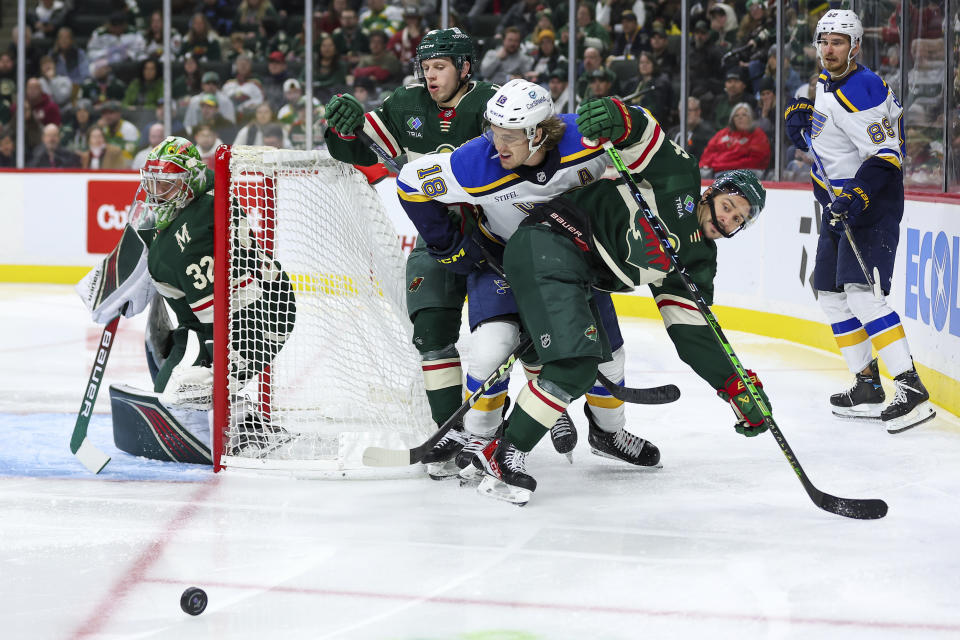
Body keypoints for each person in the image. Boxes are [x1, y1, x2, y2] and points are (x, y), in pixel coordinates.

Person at [464, 87, 769, 509]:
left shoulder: (697, 260)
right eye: (730, 205)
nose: (729, 219)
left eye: (739, 220)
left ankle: (604, 435)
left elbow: (692, 332)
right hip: (548, 242)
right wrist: (619, 117)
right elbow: (645, 136)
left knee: (604, 361)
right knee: (574, 366)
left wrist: (733, 384)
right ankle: (500, 453)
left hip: (576, 276)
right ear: (712, 194)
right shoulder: (679, 178)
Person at [395, 81, 655, 485]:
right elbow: (411, 182)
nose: (497, 144)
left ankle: (608, 432)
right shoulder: (475, 162)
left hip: (571, 267)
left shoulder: (586, 140)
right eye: (494, 132)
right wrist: (448, 245)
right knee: (490, 353)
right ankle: (479, 441)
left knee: (608, 360)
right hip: (499, 261)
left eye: (509, 136)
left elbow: (646, 150)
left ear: (539, 132)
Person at [323, 28, 508, 479]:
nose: (430, 76)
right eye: (425, 67)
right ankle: (449, 433)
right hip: (437, 236)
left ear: (465, 68)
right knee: (429, 333)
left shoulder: (495, 102)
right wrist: (341, 126)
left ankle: (495, 431)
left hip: (496, 236)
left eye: (440, 66)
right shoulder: (405, 106)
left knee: (498, 341)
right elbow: (357, 154)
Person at [76, 136, 297, 459]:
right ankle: (218, 402)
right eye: (152, 184)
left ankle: (244, 427)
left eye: (165, 185)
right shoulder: (194, 198)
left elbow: (216, 321)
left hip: (258, 318)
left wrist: (216, 376)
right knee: (158, 351)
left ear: (188, 183)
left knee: (185, 392)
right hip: (230, 311)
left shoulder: (193, 234)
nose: (156, 194)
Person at [784, 9, 935, 433]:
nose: (828, 49)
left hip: (870, 204)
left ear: (855, 47)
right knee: (830, 291)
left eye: (837, 42)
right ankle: (868, 384)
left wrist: (855, 197)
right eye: (823, 41)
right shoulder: (826, 84)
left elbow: (886, 157)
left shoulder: (863, 87)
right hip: (839, 204)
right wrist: (801, 124)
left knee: (864, 294)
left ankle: (911, 388)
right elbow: (829, 142)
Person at [699, 102, 770, 177]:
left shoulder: (758, 135)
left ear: (750, 118)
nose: (740, 117)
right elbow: (709, 152)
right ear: (732, 119)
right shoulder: (722, 134)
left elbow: (756, 161)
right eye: (736, 115)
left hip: (744, 173)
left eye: (744, 115)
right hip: (718, 171)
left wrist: (722, 165)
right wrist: (705, 165)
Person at [667, 96, 716, 160]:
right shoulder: (673, 132)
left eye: (689, 110)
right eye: (682, 110)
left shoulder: (707, 134)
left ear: (698, 112)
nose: (686, 113)